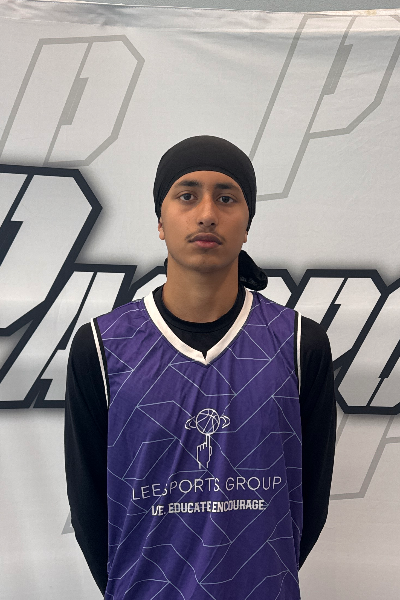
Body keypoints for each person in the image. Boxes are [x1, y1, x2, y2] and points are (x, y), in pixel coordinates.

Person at [64, 135, 336, 599]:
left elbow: (308, 502)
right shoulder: (101, 346)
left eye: (226, 198)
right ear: (160, 220)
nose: (207, 213)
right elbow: (90, 506)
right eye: (187, 195)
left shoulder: (298, 344)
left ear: (247, 223)